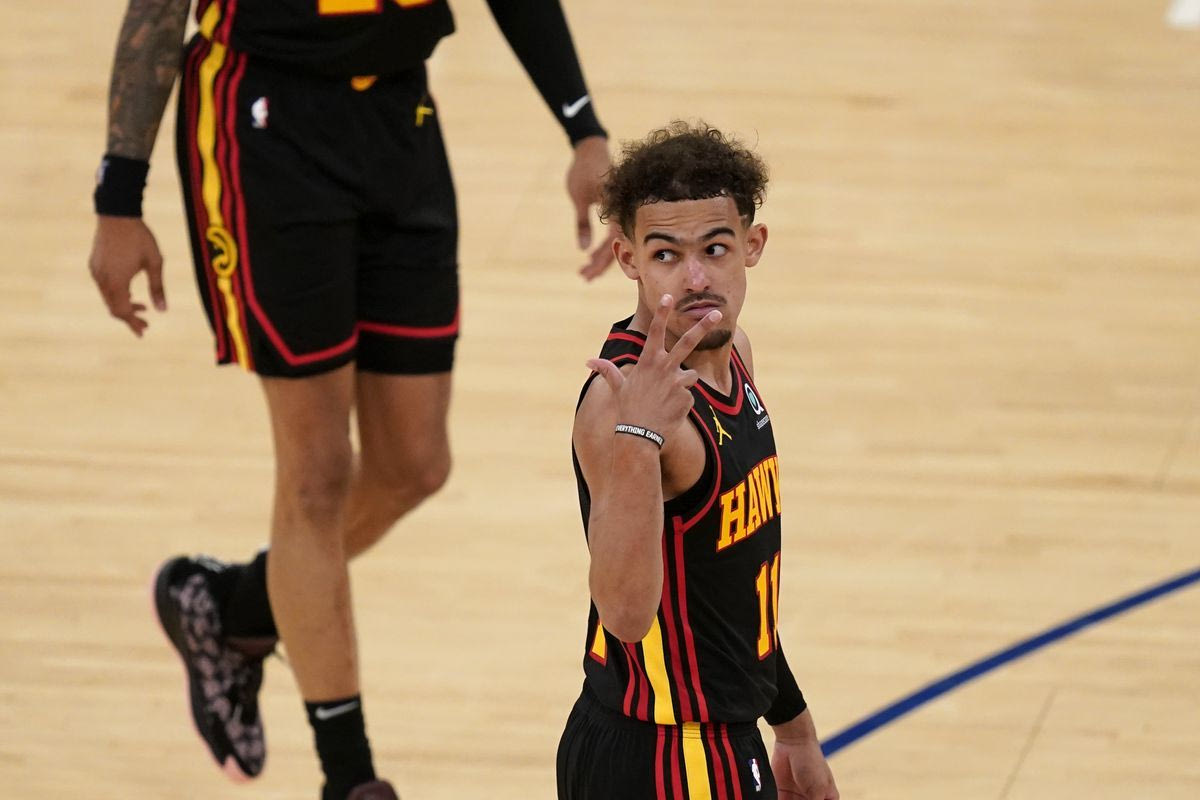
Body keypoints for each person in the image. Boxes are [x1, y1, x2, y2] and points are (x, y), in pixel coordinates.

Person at [86, 2, 614, 798]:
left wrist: (583, 128)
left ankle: (231, 607)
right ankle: (350, 778)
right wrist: (119, 198)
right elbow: (158, 10)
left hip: (399, 115)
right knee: (318, 474)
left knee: (415, 464)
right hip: (264, 129)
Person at [557, 122, 839, 800]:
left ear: (752, 244)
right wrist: (638, 437)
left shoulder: (734, 352)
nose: (695, 279)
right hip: (666, 755)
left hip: (720, 735)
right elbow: (625, 613)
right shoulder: (619, 401)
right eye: (666, 255)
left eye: (715, 249)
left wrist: (793, 726)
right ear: (628, 259)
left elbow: (734, 590)